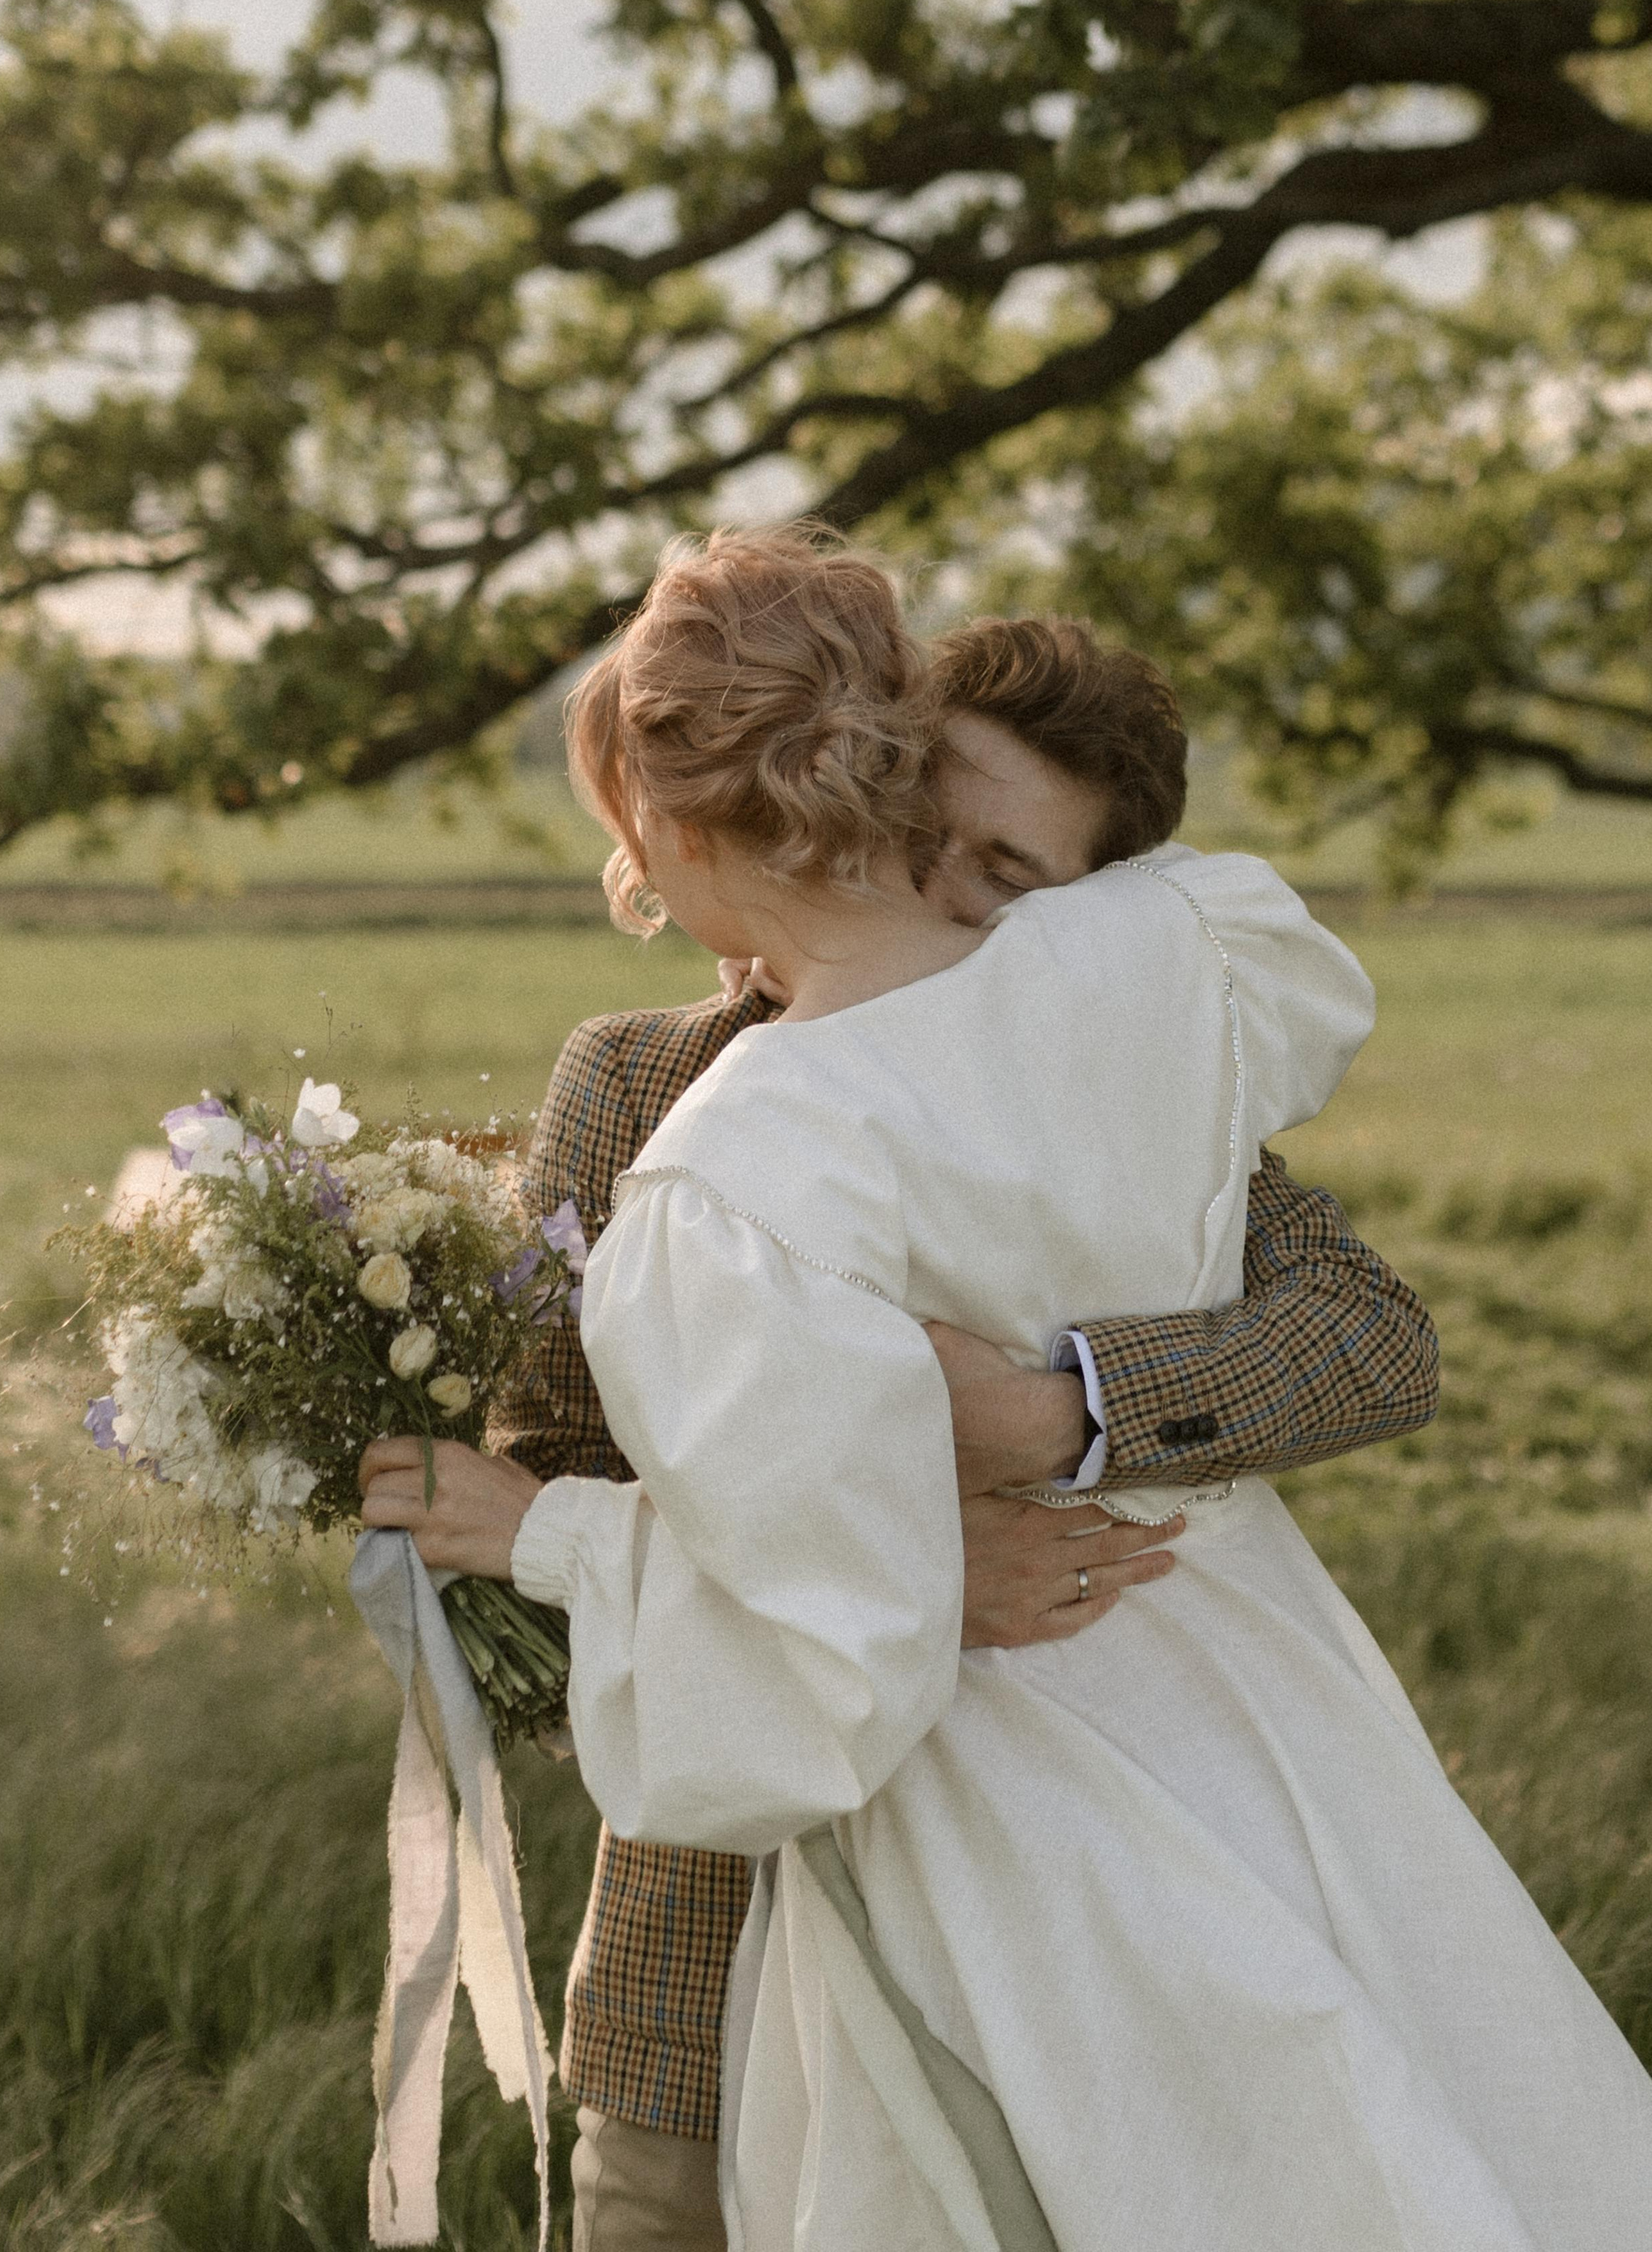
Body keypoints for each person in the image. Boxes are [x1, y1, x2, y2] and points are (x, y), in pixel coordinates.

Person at [368, 526, 1652, 2250]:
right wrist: (916, 1567)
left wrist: (1058, 1409)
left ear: (1099, 903)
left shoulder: (1108, 1066)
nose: (947, 895)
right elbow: (528, 1492)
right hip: (701, 1952)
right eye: (921, 831)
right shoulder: (637, 1095)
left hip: (1106, 1901)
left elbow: (1364, 1332)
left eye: (1012, 876)